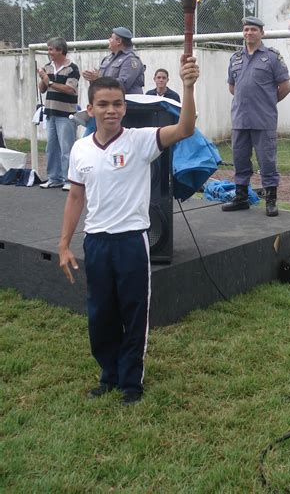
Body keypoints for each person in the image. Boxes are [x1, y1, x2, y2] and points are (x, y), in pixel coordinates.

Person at [58, 55, 199, 405]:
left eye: (117, 104)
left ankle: (131, 382)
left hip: (133, 243)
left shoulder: (141, 141)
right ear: (90, 109)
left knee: (134, 313)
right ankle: (109, 375)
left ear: (125, 107)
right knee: (101, 312)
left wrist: (189, 86)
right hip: (97, 243)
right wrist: (63, 245)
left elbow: (185, 129)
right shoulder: (80, 149)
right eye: (103, 104)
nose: (111, 110)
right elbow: (75, 196)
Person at [222, 16, 290, 216]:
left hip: (264, 120)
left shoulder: (272, 57)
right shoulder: (235, 58)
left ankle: (270, 201)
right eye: (246, 30)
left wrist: (267, 102)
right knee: (240, 160)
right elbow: (232, 87)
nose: (249, 33)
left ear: (262, 33)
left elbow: (285, 87)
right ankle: (241, 197)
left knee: (267, 161)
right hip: (240, 120)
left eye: (253, 29)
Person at [81, 27, 145, 135]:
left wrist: (99, 78)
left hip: (126, 110)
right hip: (105, 105)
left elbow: (123, 84)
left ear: (119, 41)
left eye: (111, 38)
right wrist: (92, 79)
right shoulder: (107, 59)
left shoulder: (131, 60)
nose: (109, 40)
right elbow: (100, 84)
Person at [37, 37, 79, 191]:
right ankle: (54, 178)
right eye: (49, 49)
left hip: (66, 114)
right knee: (51, 148)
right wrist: (43, 78)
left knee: (67, 148)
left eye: (51, 50)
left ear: (61, 50)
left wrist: (50, 82)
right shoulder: (48, 67)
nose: (49, 53)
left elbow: (70, 89)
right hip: (51, 113)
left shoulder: (72, 68)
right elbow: (42, 89)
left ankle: (69, 179)